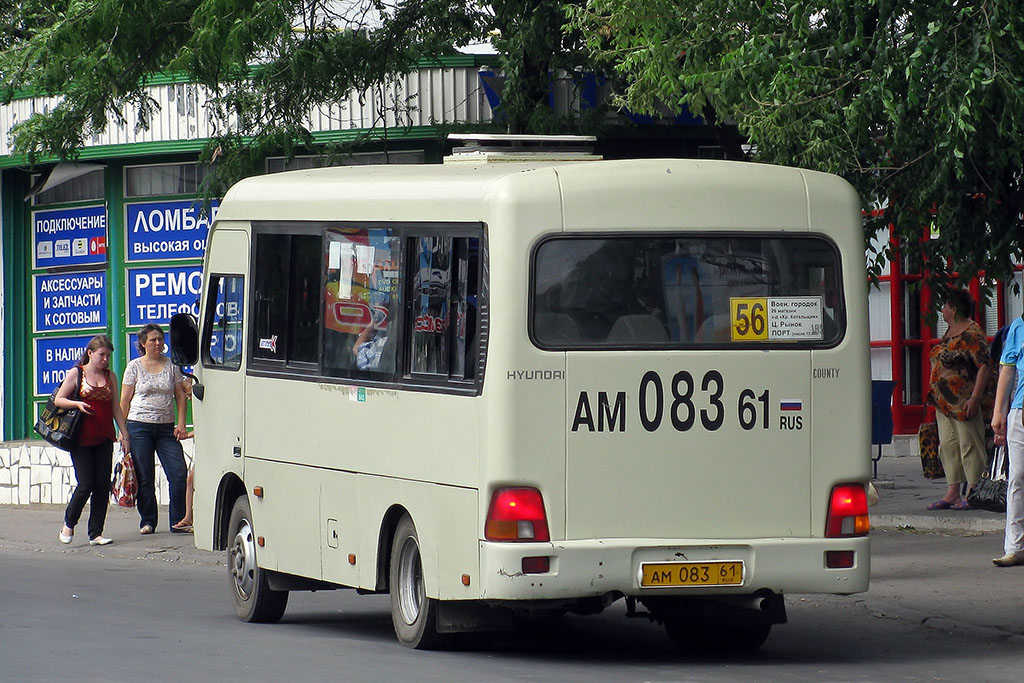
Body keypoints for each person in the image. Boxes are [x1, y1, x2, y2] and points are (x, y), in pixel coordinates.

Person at [57, 335, 131, 546]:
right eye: (101, 355)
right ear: (90, 353)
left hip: (104, 435)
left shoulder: (111, 377)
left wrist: (124, 433)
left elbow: (115, 406)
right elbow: (59, 398)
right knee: (86, 483)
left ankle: (95, 533)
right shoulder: (77, 373)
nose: (105, 359)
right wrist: (77, 405)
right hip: (81, 437)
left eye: (108, 355)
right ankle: (69, 523)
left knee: (101, 486)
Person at [925, 289, 992, 510]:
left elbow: (983, 366)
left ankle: (973, 490)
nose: (942, 310)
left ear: (954, 308)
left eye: (945, 306)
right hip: (943, 403)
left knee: (969, 443)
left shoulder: (972, 332)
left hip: (963, 400)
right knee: (949, 446)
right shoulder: (950, 331)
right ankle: (953, 491)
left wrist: (975, 398)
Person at [120, 324, 189, 534]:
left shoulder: (171, 366)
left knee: (178, 473)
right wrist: (123, 433)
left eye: (160, 339)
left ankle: (178, 521)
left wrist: (181, 423)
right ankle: (148, 520)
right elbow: (124, 400)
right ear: (143, 343)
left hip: (166, 428)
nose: (158, 343)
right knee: (145, 476)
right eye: (153, 340)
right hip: (138, 426)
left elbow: (179, 396)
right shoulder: (134, 367)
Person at [991, 312, 1024, 566]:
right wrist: (998, 411)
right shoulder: (1018, 326)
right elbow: (1007, 368)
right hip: (1020, 411)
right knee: (1017, 478)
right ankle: (1015, 546)